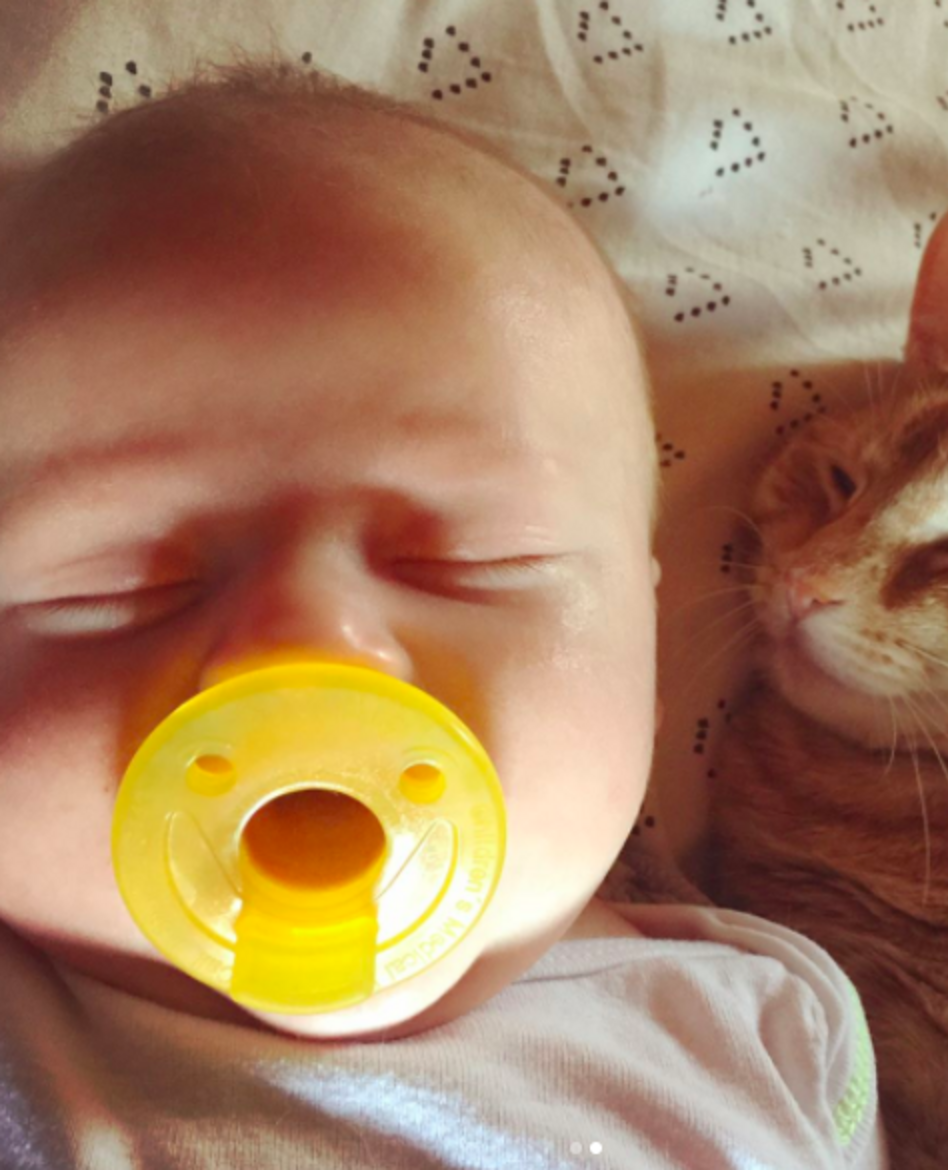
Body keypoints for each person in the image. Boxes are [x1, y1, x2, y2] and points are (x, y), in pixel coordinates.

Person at [0, 61, 885, 1169]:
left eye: (475, 560)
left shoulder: (756, 1033)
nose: (307, 644)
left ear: (644, 661)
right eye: (120, 578)